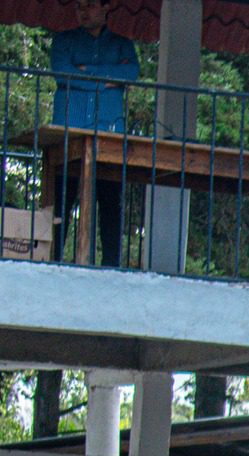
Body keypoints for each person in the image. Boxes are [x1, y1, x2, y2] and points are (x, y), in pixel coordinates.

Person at [47, 0, 136, 267]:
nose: (83, 11)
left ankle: (111, 266)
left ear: (106, 7)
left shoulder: (122, 44)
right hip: (69, 131)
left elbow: (131, 73)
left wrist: (89, 72)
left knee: (109, 201)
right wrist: (107, 82)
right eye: (79, 7)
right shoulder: (63, 41)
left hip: (108, 134)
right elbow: (64, 75)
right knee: (62, 199)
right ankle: (52, 261)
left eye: (90, 5)